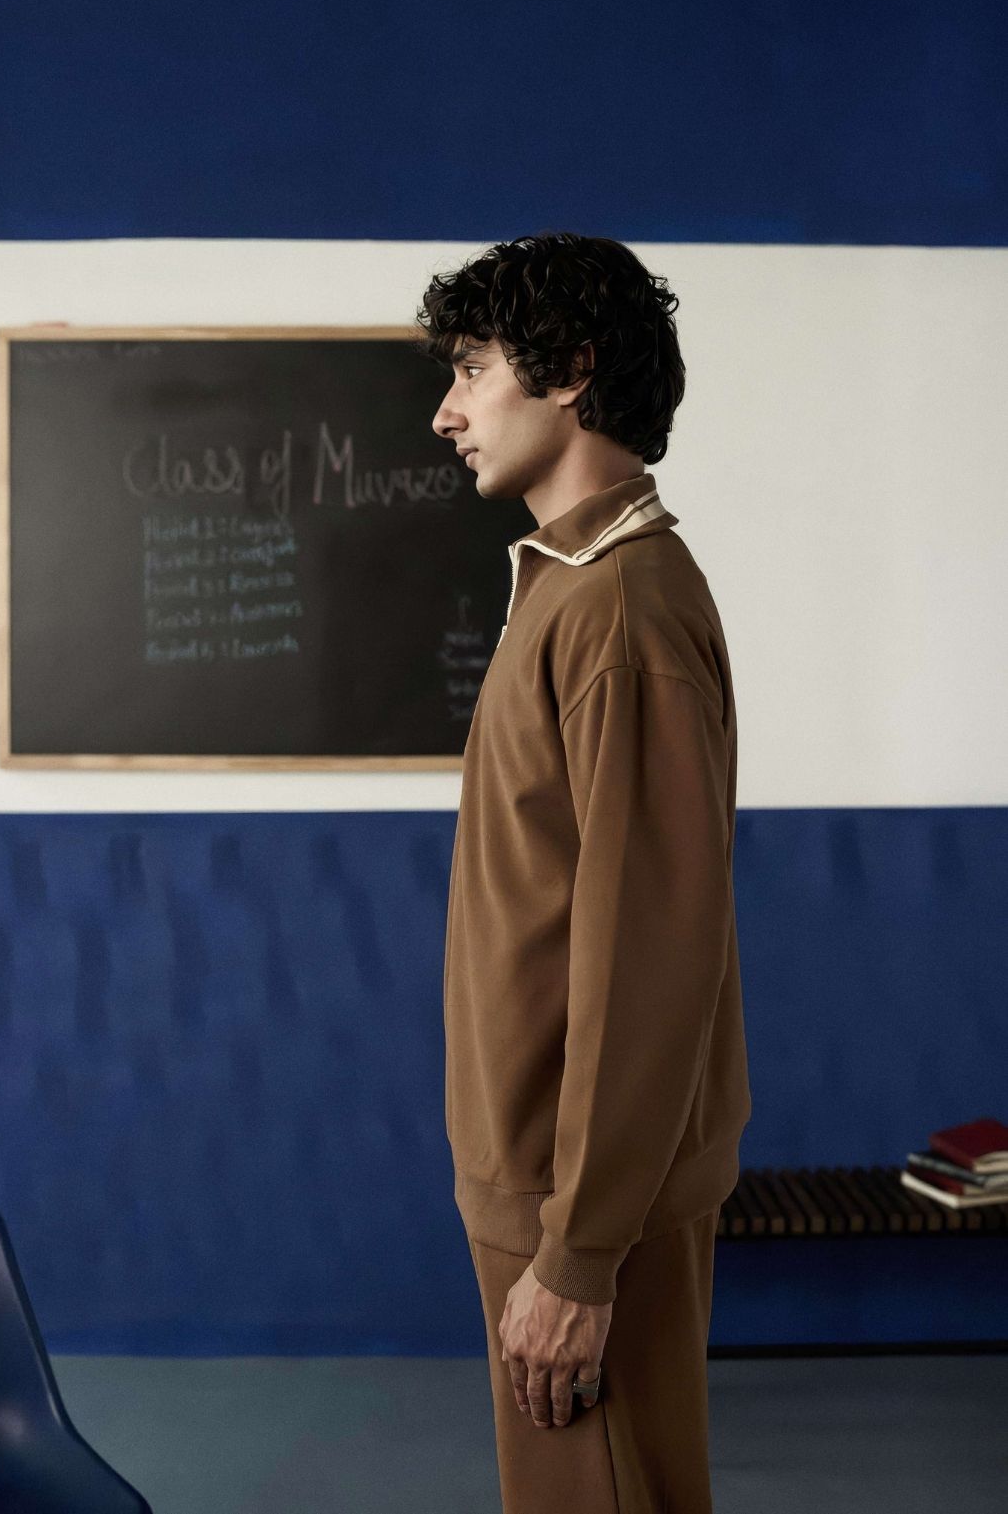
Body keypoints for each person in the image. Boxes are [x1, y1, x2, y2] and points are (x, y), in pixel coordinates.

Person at [416, 231, 752, 1512]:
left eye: (472, 368)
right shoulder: (572, 585)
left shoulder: (618, 606)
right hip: (549, 1184)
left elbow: (652, 953)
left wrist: (580, 1250)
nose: (446, 412)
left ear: (568, 372)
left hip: (579, 1201)